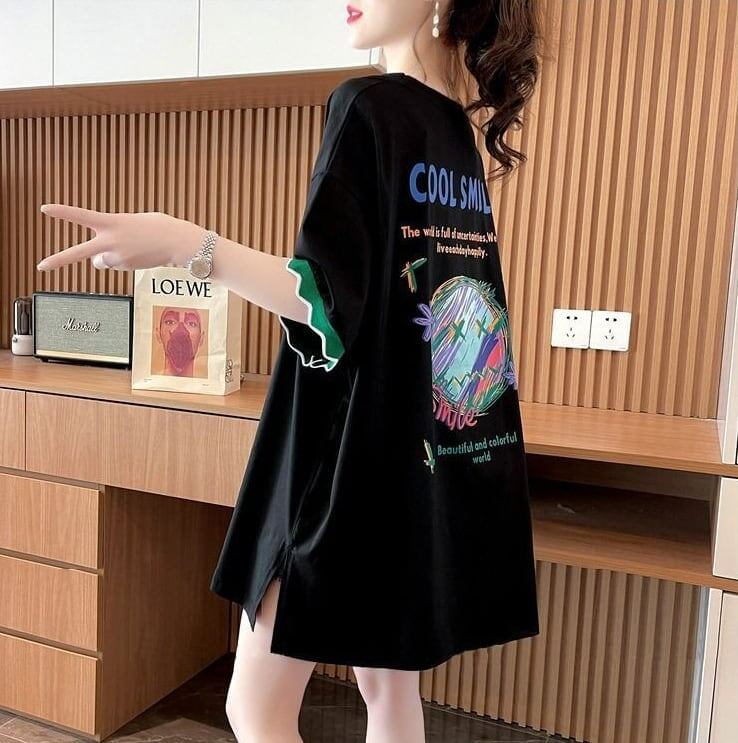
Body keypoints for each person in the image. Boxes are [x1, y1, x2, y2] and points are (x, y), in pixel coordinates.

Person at [36, 1, 543, 741]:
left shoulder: (367, 105)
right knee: (388, 688)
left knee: (256, 706)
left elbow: (327, 301)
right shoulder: (454, 134)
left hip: (341, 454)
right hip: (417, 456)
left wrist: (187, 243)